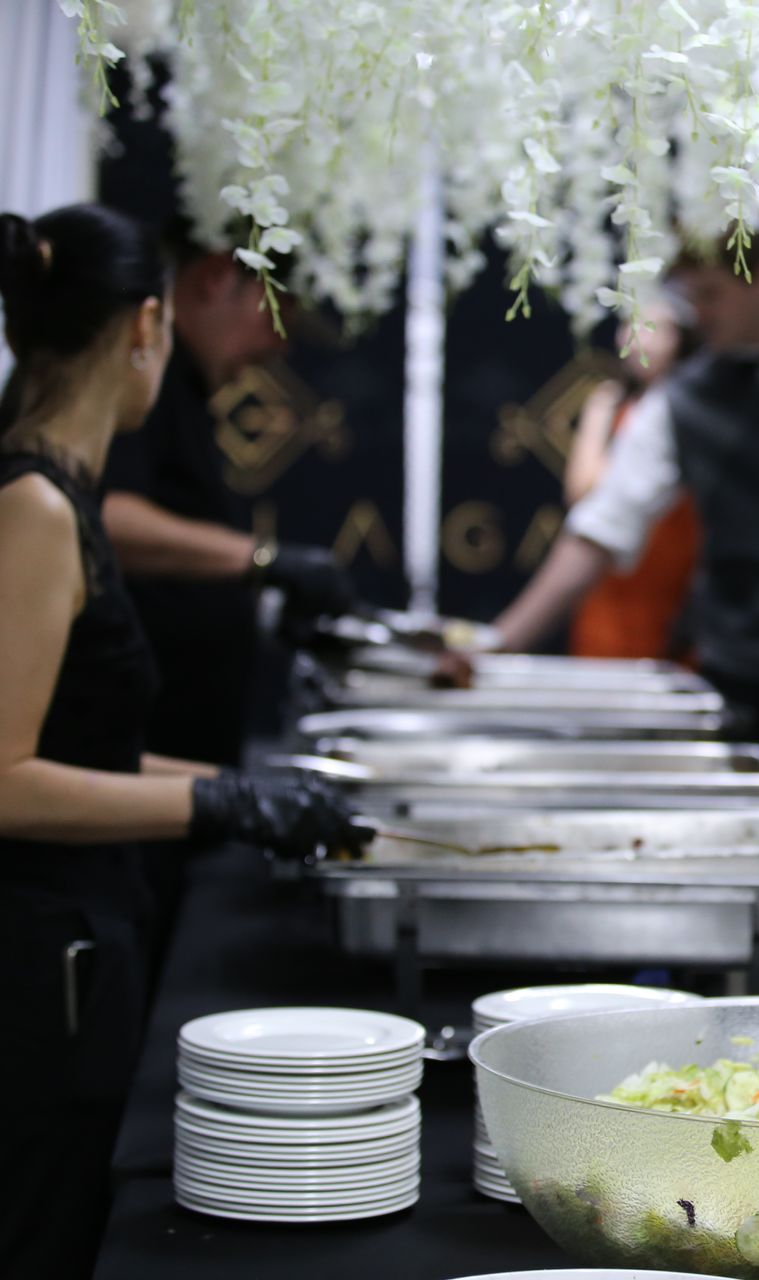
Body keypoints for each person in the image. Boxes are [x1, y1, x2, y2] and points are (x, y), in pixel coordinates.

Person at [0, 205, 365, 1278]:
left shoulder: (58, 491)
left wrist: (244, 782)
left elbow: (90, 747)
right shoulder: (35, 505)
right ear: (149, 323)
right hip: (38, 956)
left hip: (81, 931)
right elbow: (6, 780)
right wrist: (217, 804)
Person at [488, 221, 759, 833]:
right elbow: (600, 528)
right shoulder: (681, 400)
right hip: (737, 673)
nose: (697, 314)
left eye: (711, 294)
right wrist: (500, 643)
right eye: (688, 298)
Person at [100, 228, 357, 769]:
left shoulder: (185, 389)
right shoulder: (139, 385)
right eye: (274, 318)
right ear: (216, 278)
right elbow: (105, 518)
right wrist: (264, 560)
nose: (279, 348)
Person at [564, 298, 700, 661]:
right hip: (615, 580)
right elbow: (582, 491)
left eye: (653, 329)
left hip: (679, 584)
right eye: (633, 325)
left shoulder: (700, 407)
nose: (638, 338)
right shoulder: (609, 404)